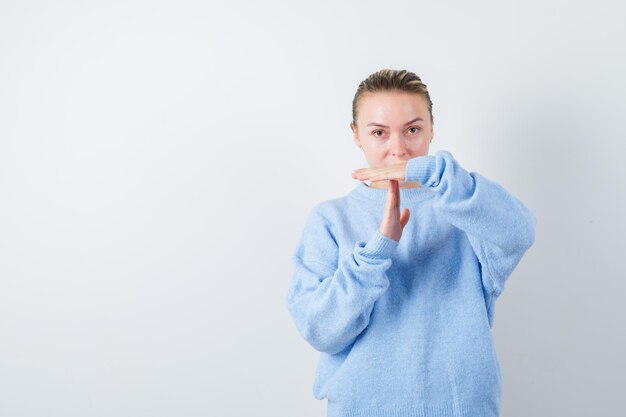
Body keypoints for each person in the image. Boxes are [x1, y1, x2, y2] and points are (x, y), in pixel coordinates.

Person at [285, 69, 536, 417]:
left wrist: (436, 174)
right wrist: (377, 251)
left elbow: (519, 232)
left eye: (413, 130)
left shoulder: (468, 207)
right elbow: (321, 331)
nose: (398, 149)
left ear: (432, 128)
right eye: (379, 133)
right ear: (356, 135)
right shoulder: (330, 219)